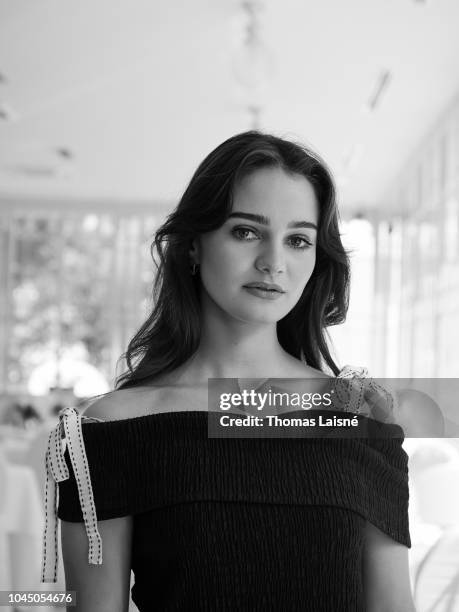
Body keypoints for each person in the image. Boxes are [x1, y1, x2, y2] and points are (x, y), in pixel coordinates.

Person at [41, 131, 415, 611]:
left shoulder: (364, 419)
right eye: (246, 231)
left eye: (298, 240)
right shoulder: (110, 429)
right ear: (194, 245)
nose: (273, 263)